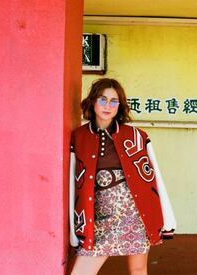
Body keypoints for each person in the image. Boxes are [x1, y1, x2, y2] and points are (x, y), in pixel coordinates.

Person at [69, 78, 176, 275]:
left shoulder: (137, 136)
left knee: (137, 269)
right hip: (97, 216)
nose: (107, 106)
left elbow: (153, 179)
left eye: (113, 101)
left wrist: (164, 217)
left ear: (120, 105)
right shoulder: (79, 137)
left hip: (134, 212)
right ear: (92, 101)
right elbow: (73, 183)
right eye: (102, 99)